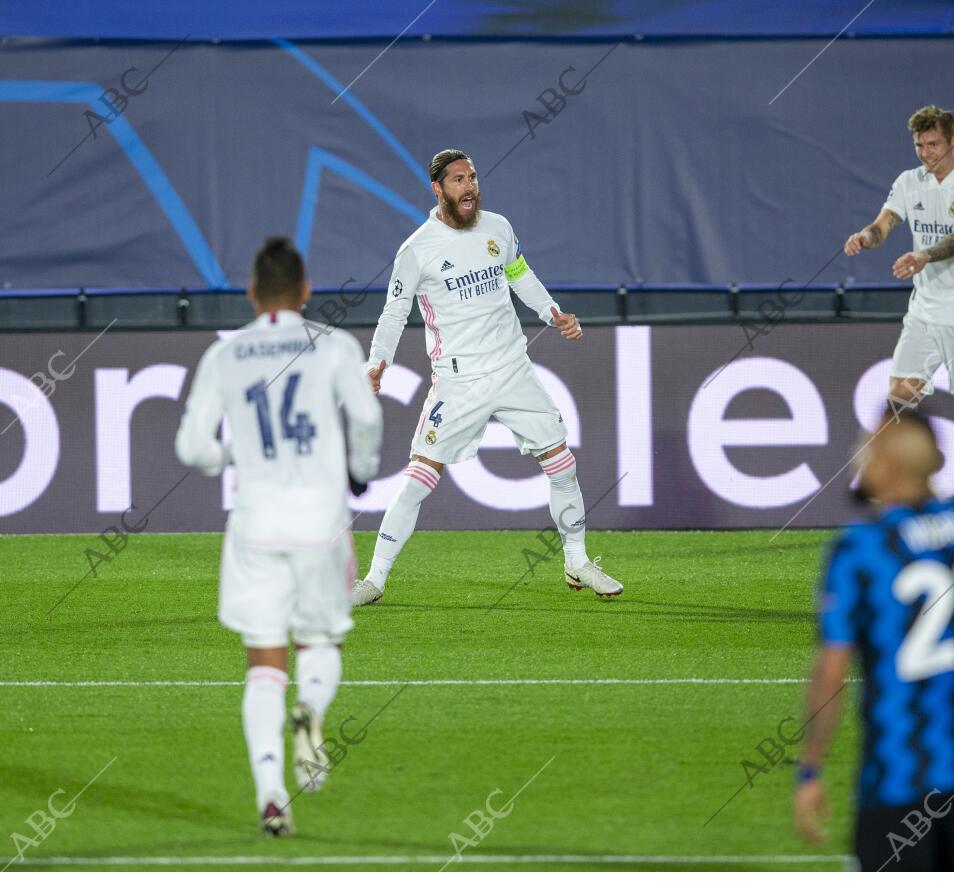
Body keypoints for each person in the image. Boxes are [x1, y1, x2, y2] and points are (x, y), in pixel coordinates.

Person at [351, 148, 622, 606]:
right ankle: (374, 579)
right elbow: (394, 312)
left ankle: (577, 562)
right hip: (459, 382)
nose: (469, 186)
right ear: (438, 190)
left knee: (561, 463)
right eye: (458, 180)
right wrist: (377, 362)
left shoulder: (499, 228)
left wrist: (551, 312)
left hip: (513, 368)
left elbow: (520, 274)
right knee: (418, 478)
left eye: (472, 177)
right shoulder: (416, 250)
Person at [175, 237, 382, 835]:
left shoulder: (226, 355)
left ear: (250, 293)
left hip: (256, 525)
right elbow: (366, 417)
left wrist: (227, 456)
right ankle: (311, 712)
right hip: (321, 524)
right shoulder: (334, 345)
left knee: (263, 664)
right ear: (306, 290)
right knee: (321, 644)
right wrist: (361, 473)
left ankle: (271, 794)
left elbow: (192, 447)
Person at [793, 411, 954, 871]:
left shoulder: (861, 549)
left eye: (867, 449)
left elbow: (832, 670)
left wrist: (810, 768)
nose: (858, 458)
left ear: (887, 466)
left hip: (899, 778)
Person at [843, 105, 954, 534]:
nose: (926, 153)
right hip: (924, 314)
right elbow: (884, 224)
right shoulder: (909, 182)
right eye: (919, 145)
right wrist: (865, 237)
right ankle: (898, 506)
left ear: (953, 141)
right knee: (897, 402)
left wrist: (923, 255)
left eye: (933, 144)